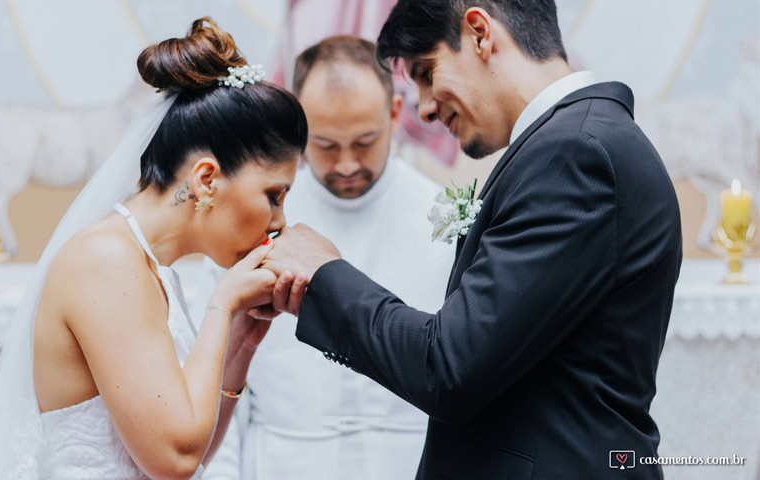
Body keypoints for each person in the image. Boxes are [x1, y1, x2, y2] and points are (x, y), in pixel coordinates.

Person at [261, 1, 682, 479]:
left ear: (480, 33)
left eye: (426, 71)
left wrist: (323, 274)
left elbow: (448, 367)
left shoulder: (575, 156)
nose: (424, 108)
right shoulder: (574, 143)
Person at [0, 17, 308, 480]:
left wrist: (242, 342)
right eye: (274, 195)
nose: (279, 222)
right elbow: (176, 459)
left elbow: (194, 447)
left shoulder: (151, 266)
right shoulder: (105, 260)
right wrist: (222, 305)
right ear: (206, 179)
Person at [202, 36, 455, 480]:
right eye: (325, 144)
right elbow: (215, 365)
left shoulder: (446, 218)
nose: (345, 164)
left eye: (364, 142)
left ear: (395, 114)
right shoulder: (248, 222)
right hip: (282, 461)